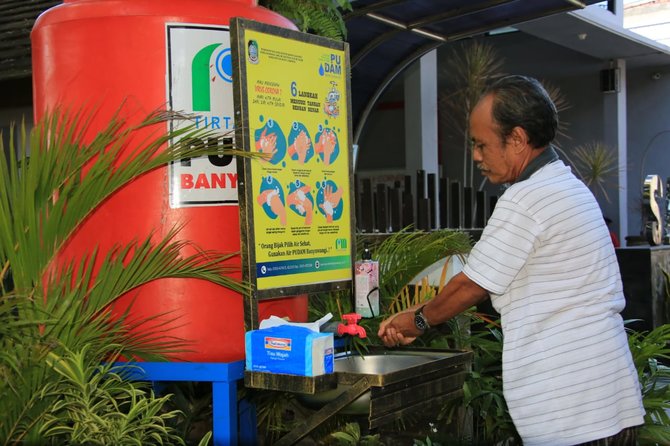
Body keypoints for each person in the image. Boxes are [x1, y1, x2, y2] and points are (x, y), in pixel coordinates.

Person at [378, 75, 644, 446]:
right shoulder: (566, 186)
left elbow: (472, 284)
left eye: (481, 144)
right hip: (606, 398)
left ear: (517, 139)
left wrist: (417, 319)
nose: (475, 156)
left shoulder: (527, 198)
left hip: (571, 410)